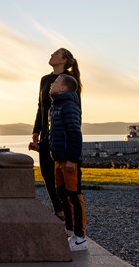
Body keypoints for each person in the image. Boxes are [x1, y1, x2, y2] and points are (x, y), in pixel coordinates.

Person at [31, 48, 82, 220]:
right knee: (47, 173)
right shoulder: (45, 80)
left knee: (65, 178)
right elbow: (41, 106)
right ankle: (58, 211)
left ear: (64, 60)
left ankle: (71, 216)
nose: (51, 55)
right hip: (46, 134)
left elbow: (76, 110)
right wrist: (36, 130)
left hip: (62, 134)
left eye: (56, 54)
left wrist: (72, 138)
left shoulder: (69, 80)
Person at [49, 73, 87, 252]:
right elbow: (54, 133)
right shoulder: (54, 107)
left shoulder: (69, 106)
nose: (52, 83)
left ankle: (80, 238)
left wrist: (72, 158)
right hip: (58, 159)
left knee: (74, 196)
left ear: (63, 88)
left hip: (69, 160)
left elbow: (75, 133)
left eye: (56, 82)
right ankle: (70, 230)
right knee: (62, 194)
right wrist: (42, 146)